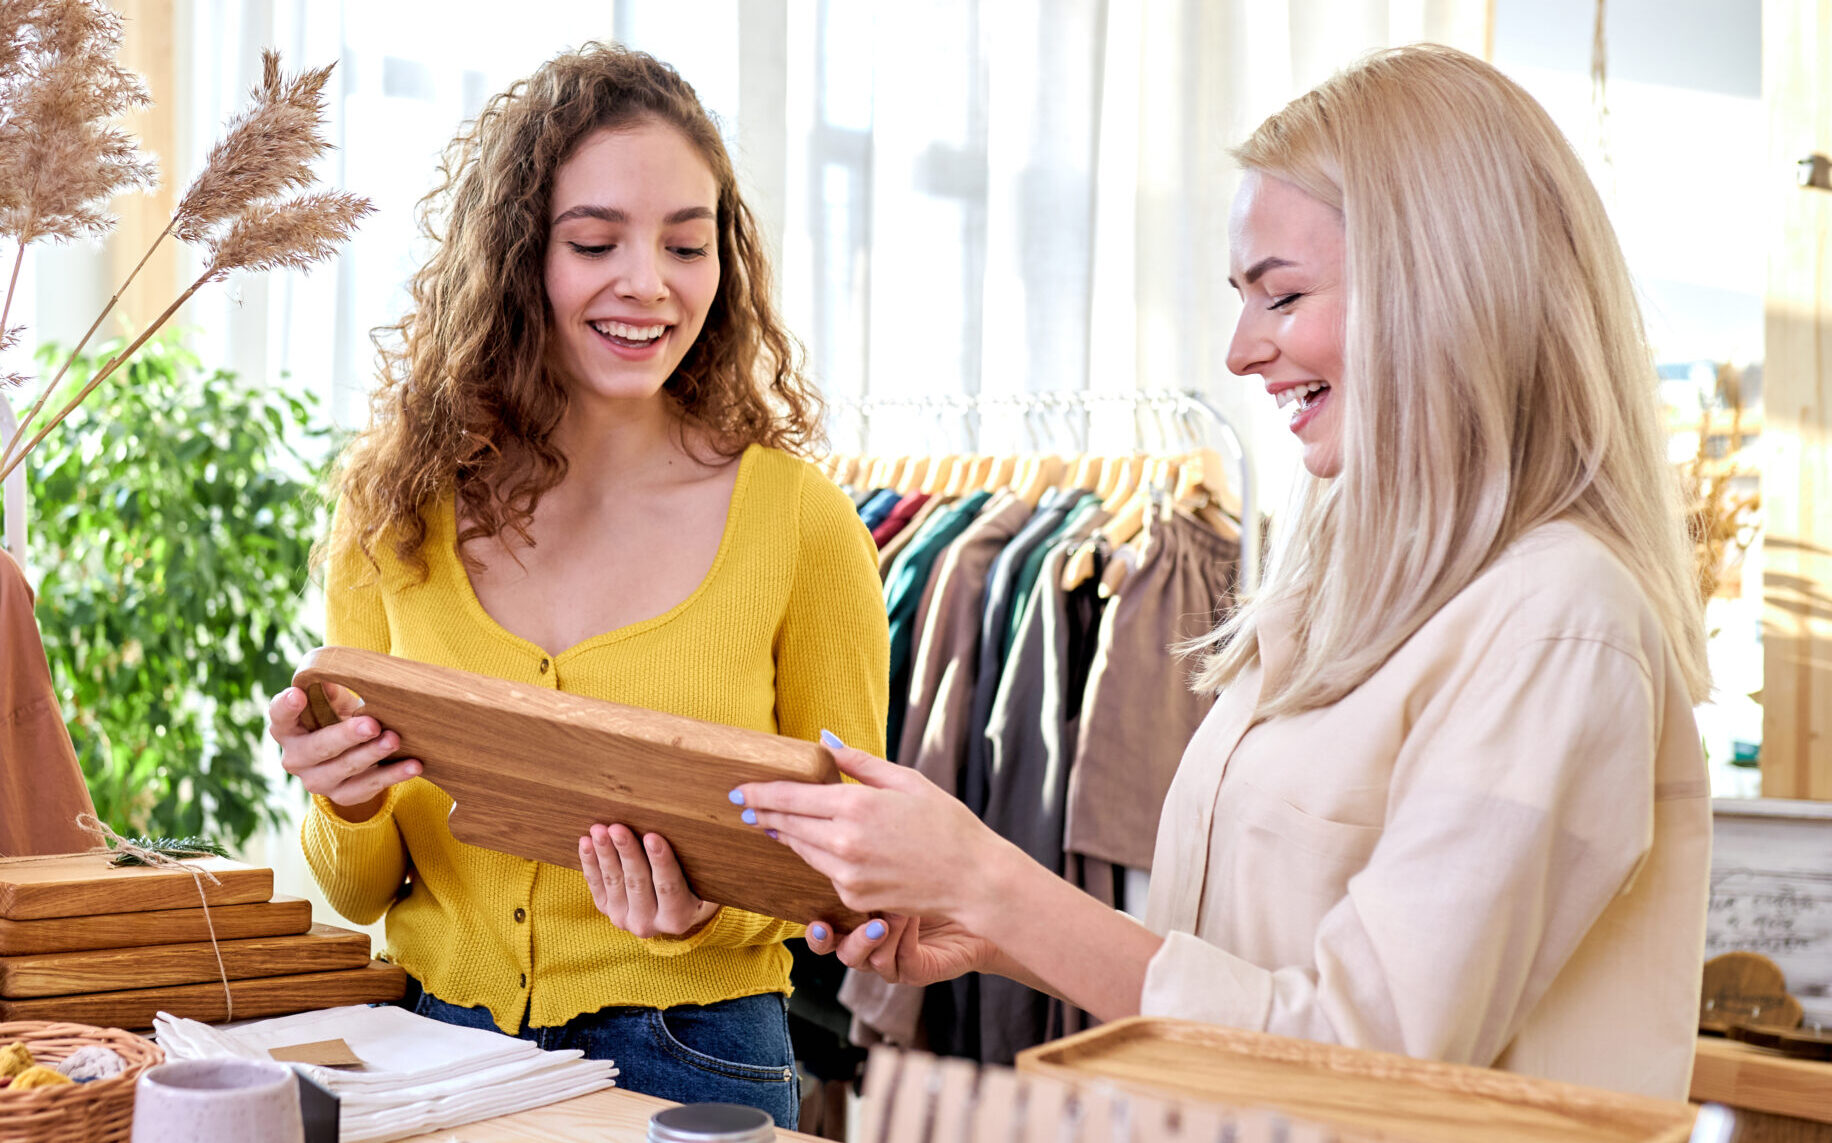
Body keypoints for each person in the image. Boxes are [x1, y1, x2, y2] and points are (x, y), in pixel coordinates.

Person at [733, 44, 1712, 1100]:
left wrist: (997, 886)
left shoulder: (1558, 623)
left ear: (1440, 290)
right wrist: (983, 929)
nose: (1241, 351)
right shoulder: (1340, 589)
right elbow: (1235, 973)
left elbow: (1367, 1055)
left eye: (1280, 297)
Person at [263, 44, 884, 1125]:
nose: (647, 281)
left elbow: (841, 866)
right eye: (595, 240)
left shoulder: (801, 523)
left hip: (697, 1057)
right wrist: (345, 797)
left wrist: (705, 920)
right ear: (515, 261)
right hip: (436, 1045)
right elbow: (359, 890)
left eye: (686, 245)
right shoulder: (391, 511)